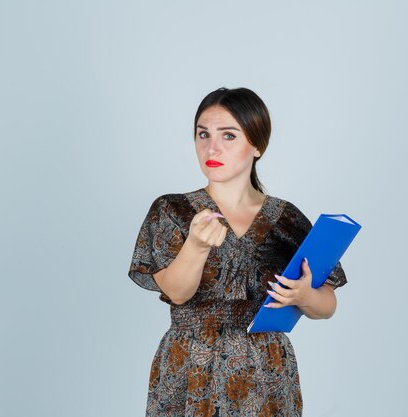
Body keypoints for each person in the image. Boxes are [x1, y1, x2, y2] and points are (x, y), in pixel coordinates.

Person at [128, 87, 347, 416]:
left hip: (266, 371)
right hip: (191, 366)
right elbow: (176, 291)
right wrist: (196, 245)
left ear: (257, 145)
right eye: (203, 134)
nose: (211, 147)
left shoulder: (285, 218)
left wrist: (303, 296)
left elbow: (327, 304)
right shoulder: (171, 210)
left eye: (228, 135)